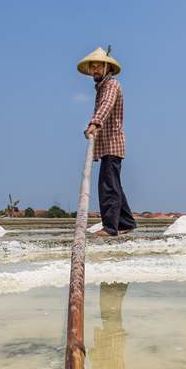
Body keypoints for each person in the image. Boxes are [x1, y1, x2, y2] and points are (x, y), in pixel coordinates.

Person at [77, 47, 136, 236]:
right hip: (107, 145)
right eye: (92, 67)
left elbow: (107, 105)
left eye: (98, 67)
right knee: (113, 185)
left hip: (112, 144)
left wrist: (94, 122)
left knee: (108, 186)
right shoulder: (101, 87)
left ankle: (111, 228)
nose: (95, 70)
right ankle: (126, 222)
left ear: (106, 69)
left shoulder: (111, 85)